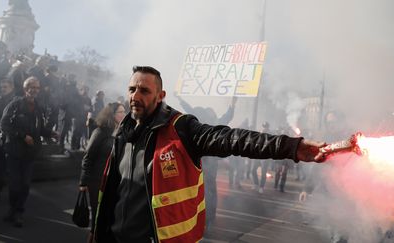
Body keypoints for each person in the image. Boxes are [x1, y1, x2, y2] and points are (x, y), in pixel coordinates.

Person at [94, 66, 326, 243]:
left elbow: (235, 139)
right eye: (132, 89)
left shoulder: (181, 128)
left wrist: (292, 147)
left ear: (160, 95)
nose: (135, 96)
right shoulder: (122, 133)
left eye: (144, 90)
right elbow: (113, 192)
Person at [0, 76, 56, 227]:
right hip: (14, 151)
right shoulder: (15, 105)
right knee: (14, 184)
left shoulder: (39, 107)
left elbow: (39, 129)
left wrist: (50, 133)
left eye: (37, 88)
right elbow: (4, 125)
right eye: (32, 87)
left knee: (25, 184)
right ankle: (12, 209)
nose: (35, 90)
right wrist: (23, 136)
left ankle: (18, 212)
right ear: (25, 89)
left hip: (30, 153)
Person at [175, 92, 236, 230]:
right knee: (208, 190)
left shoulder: (203, 124)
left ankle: (205, 218)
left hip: (204, 161)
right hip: (206, 162)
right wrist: (233, 104)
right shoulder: (213, 124)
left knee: (205, 190)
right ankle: (207, 218)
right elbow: (227, 116)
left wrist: (180, 99)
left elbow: (189, 109)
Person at [79, 102, 126, 242]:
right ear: (112, 115)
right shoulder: (100, 132)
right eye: (120, 112)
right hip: (97, 180)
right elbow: (88, 157)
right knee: (98, 215)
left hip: (113, 180)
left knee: (110, 215)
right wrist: (83, 182)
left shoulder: (122, 132)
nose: (124, 114)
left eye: (124, 111)